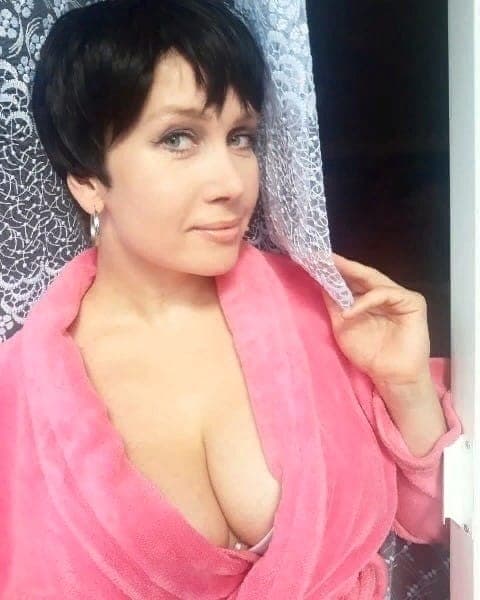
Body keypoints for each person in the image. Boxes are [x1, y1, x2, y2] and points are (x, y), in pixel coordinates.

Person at [0, 0, 462, 598]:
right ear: (88, 179)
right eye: (179, 138)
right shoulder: (21, 400)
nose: (231, 183)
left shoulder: (317, 311)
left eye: (241, 137)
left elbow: (440, 524)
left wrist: (405, 386)